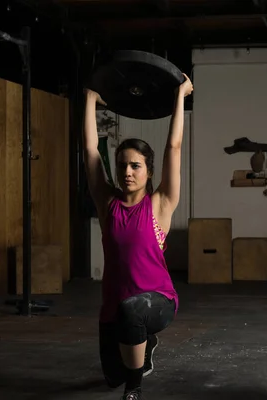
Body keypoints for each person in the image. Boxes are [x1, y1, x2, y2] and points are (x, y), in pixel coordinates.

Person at [83, 74, 194, 400]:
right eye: (122, 165)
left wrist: (180, 96)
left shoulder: (160, 204)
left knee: (133, 316)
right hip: (114, 307)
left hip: (157, 301)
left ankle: (135, 390)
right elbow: (91, 151)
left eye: (135, 166)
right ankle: (141, 351)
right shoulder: (107, 204)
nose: (127, 172)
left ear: (148, 170)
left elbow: (173, 147)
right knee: (112, 375)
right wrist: (90, 98)